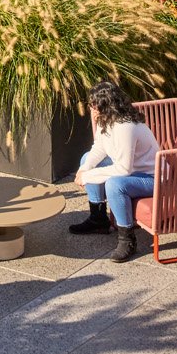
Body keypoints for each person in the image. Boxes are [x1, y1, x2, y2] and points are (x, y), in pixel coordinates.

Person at [68, 81, 162, 264]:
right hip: (134, 171)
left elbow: (123, 169)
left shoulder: (126, 126)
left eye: (94, 105)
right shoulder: (107, 120)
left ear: (106, 106)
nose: (91, 109)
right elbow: (99, 149)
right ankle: (98, 219)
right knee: (86, 158)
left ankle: (127, 239)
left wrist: (88, 176)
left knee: (115, 184)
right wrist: (83, 169)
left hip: (152, 177)